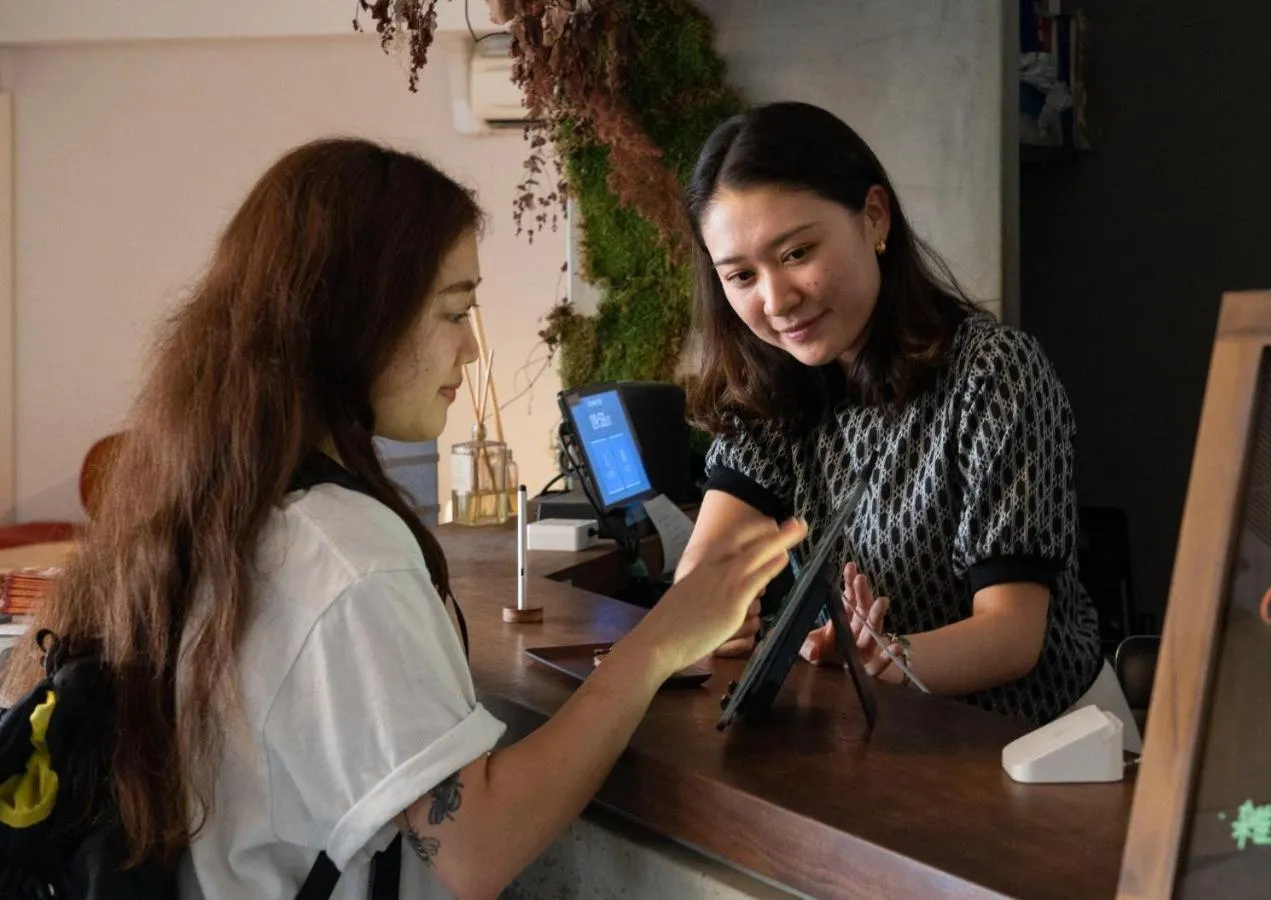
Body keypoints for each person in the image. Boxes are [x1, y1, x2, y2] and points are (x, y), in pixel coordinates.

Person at [0, 139, 807, 898]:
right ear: (361, 316)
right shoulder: (345, 556)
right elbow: (476, 847)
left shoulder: (223, 502)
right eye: (455, 312)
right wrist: (661, 642)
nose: (471, 352)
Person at [675, 101, 1113, 730]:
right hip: (878, 741)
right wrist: (713, 619)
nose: (775, 300)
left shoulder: (994, 371)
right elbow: (703, 576)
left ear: (874, 217)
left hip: (1039, 745)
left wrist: (887, 657)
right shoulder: (772, 388)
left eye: (797, 253)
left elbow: (1014, 635)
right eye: (741, 275)